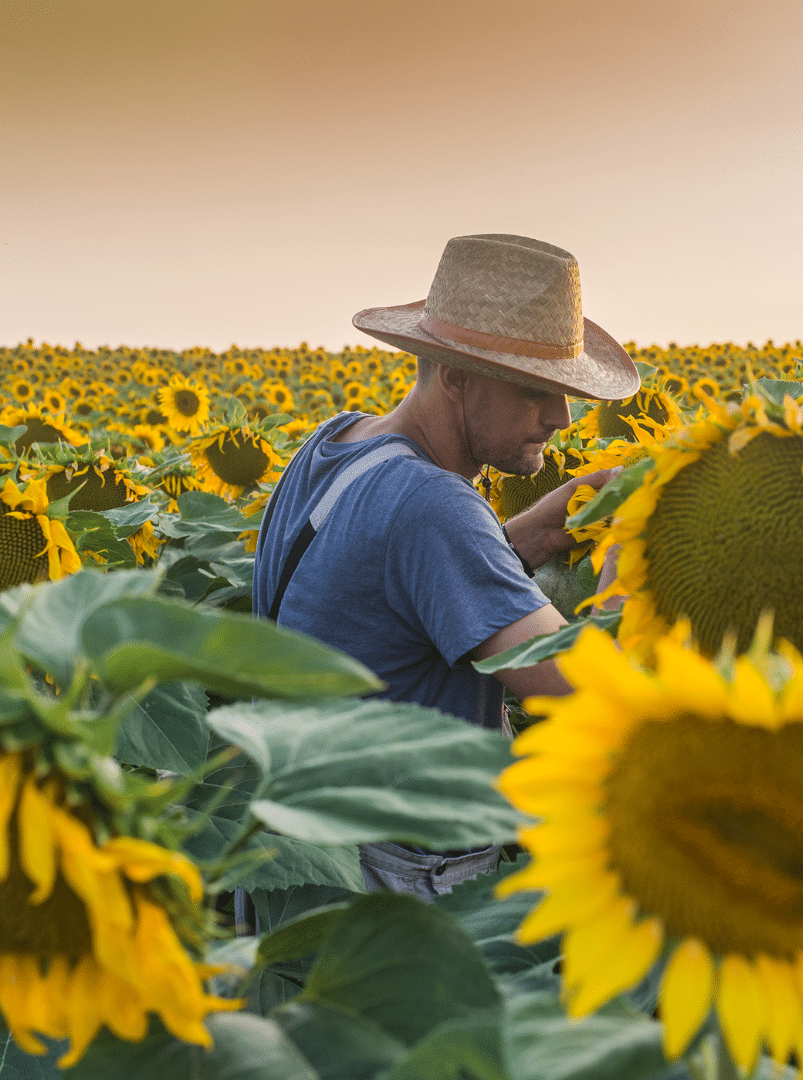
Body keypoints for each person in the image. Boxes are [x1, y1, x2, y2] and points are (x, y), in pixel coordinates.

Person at [251, 233, 639, 900]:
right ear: (455, 377)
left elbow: (380, 593)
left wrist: (524, 538)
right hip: (398, 883)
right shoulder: (434, 506)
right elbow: (589, 695)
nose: (561, 416)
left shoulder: (338, 442)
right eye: (530, 391)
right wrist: (628, 566)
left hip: (302, 854)